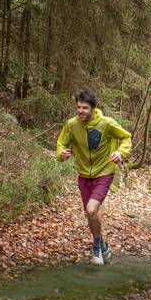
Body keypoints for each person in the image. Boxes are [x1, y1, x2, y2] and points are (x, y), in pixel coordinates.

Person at [57, 90, 132, 266]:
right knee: (90, 214)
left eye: (84, 107)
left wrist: (120, 153)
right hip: (83, 175)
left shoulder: (106, 123)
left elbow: (126, 137)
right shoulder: (72, 124)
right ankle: (102, 243)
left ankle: (96, 246)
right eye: (78, 107)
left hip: (104, 173)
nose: (80, 111)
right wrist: (62, 153)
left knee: (91, 210)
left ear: (92, 108)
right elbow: (62, 143)